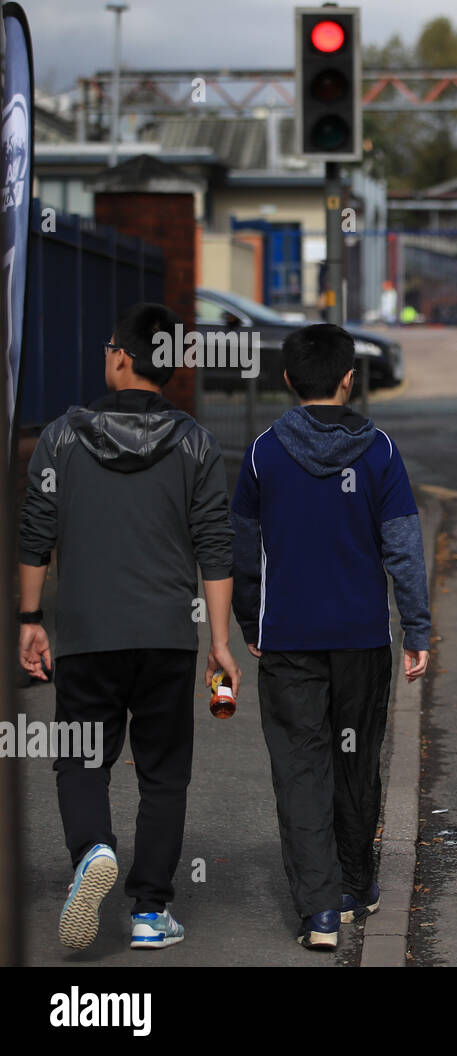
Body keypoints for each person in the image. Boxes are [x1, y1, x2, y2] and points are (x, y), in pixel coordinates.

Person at [18, 302, 238, 951]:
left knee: (82, 759)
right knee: (164, 771)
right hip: (168, 634)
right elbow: (216, 546)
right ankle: (149, 910)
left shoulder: (59, 436)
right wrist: (221, 643)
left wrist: (30, 619)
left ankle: (91, 852)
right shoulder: (196, 442)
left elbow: (35, 535)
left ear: (119, 356)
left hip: (86, 634)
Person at [230, 323, 430, 950]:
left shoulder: (263, 453)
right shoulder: (380, 452)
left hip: (287, 637)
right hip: (362, 638)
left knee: (300, 767)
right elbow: (403, 547)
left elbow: (243, 549)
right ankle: (355, 883)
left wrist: (248, 618)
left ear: (288, 380)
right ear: (349, 378)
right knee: (356, 758)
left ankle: (318, 911)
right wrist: (417, 627)